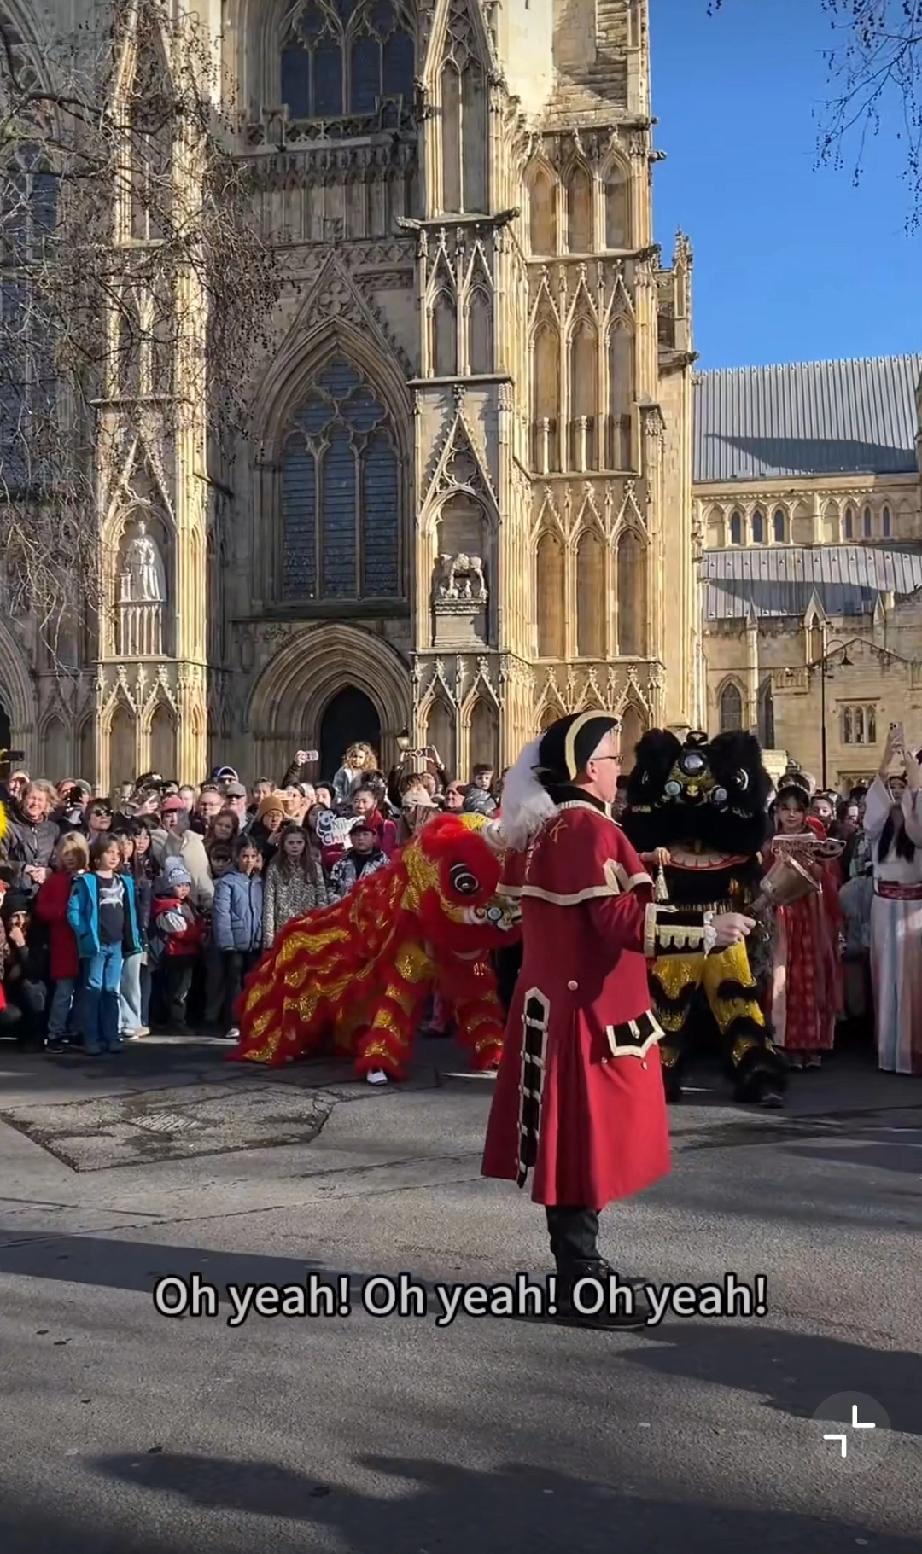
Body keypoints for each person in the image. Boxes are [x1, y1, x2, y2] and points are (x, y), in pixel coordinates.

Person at [481, 712, 755, 1329]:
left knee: (573, 1145)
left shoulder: (549, 828)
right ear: (584, 769)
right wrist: (707, 930)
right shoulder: (584, 829)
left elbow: (511, 919)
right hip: (583, 1015)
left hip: (552, 1007)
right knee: (579, 1147)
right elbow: (618, 923)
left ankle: (580, 1266)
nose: (618, 768)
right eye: (609, 757)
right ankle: (579, 1278)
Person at [766, 780, 841, 1070]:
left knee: (813, 973)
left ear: (806, 812)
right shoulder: (768, 843)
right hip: (782, 913)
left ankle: (813, 1044)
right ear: (777, 812)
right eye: (785, 809)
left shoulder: (818, 839)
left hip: (812, 912)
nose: (792, 815)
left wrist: (815, 864)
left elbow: (830, 879)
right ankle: (785, 1042)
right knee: (784, 975)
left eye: (797, 810)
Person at [863, 724, 922, 1074]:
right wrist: (887, 757)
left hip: (915, 908)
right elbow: (873, 808)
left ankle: (912, 1051)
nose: (897, 794)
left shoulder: (916, 830)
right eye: (892, 789)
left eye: (904, 789)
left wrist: (911, 765)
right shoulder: (878, 831)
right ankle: (888, 1049)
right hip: (885, 907)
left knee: (914, 981)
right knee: (885, 979)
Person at [67, 834, 143, 1056]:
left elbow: (132, 912)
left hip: (117, 944)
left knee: (111, 991)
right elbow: (74, 912)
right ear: (98, 855)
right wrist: (84, 935)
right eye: (109, 852)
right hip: (96, 945)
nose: (113, 857)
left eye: (117, 853)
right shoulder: (86, 881)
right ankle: (91, 1038)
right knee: (93, 990)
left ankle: (111, 1036)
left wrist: (135, 937)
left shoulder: (124, 882)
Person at [35, 831, 89, 1053]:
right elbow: (41, 909)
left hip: (85, 943)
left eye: (74, 853)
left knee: (83, 991)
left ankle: (76, 1029)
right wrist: (61, 912)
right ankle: (55, 1031)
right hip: (63, 942)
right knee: (64, 991)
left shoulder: (88, 878)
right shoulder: (54, 881)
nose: (69, 857)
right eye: (65, 853)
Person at [212, 836, 264, 1040]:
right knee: (234, 983)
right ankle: (232, 1022)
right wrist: (227, 942)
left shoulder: (259, 881)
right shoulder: (227, 882)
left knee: (252, 982)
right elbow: (222, 914)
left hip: (254, 940)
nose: (249, 861)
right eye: (244, 856)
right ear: (237, 857)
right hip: (234, 941)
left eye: (253, 856)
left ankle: (250, 1020)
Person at [149, 861, 204, 1029]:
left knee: (185, 988)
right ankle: (176, 1021)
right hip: (175, 954)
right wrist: (198, 932)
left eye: (186, 885)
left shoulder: (187, 904)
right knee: (177, 990)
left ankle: (181, 1019)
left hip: (189, 953)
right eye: (179, 885)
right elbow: (181, 931)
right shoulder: (167, 907)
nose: (184, 889)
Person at [262, 823, 329, 946]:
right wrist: (269, 937)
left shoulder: (314, 867)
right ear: (283, 844)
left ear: (305, 844)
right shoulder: (275, 868)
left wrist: (320, 926)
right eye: (291, 843)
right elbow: (269, 902)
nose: (295, 846)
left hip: (308, 927)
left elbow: (321, 898)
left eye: (299, 843)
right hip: (283, 928)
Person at [1, 891, 48, 1046]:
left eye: (24, 915)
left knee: (34, 987)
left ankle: (33, 1037)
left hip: (23, 998)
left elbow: (36, 971)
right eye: (15, 916)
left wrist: (22, 946)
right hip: (5, 996)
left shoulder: (35, 934)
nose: (20, 921)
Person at [8, 782, 59, 898]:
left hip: (47, 893)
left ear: (47, 804)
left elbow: (58, 859)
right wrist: (24, 868)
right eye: (32, 798)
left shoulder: (53, 829)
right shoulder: (9, 827)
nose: (35, 803)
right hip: (16, 892)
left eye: (40, 800)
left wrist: (49, 871)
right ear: (23, 800)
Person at [329, 820, 388, 897]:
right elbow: (332, 889)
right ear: (350, 839)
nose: (360, 838)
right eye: (356, 835)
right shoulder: (341, 864)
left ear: (374, 838)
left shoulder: (384, 863)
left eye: (365, 834)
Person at [352, 786, 397, 857]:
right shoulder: (347, 825)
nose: (360, 805)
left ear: (375, 803)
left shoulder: (386, 826)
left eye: (364, 801)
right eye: (356, 801)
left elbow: (387, 856)